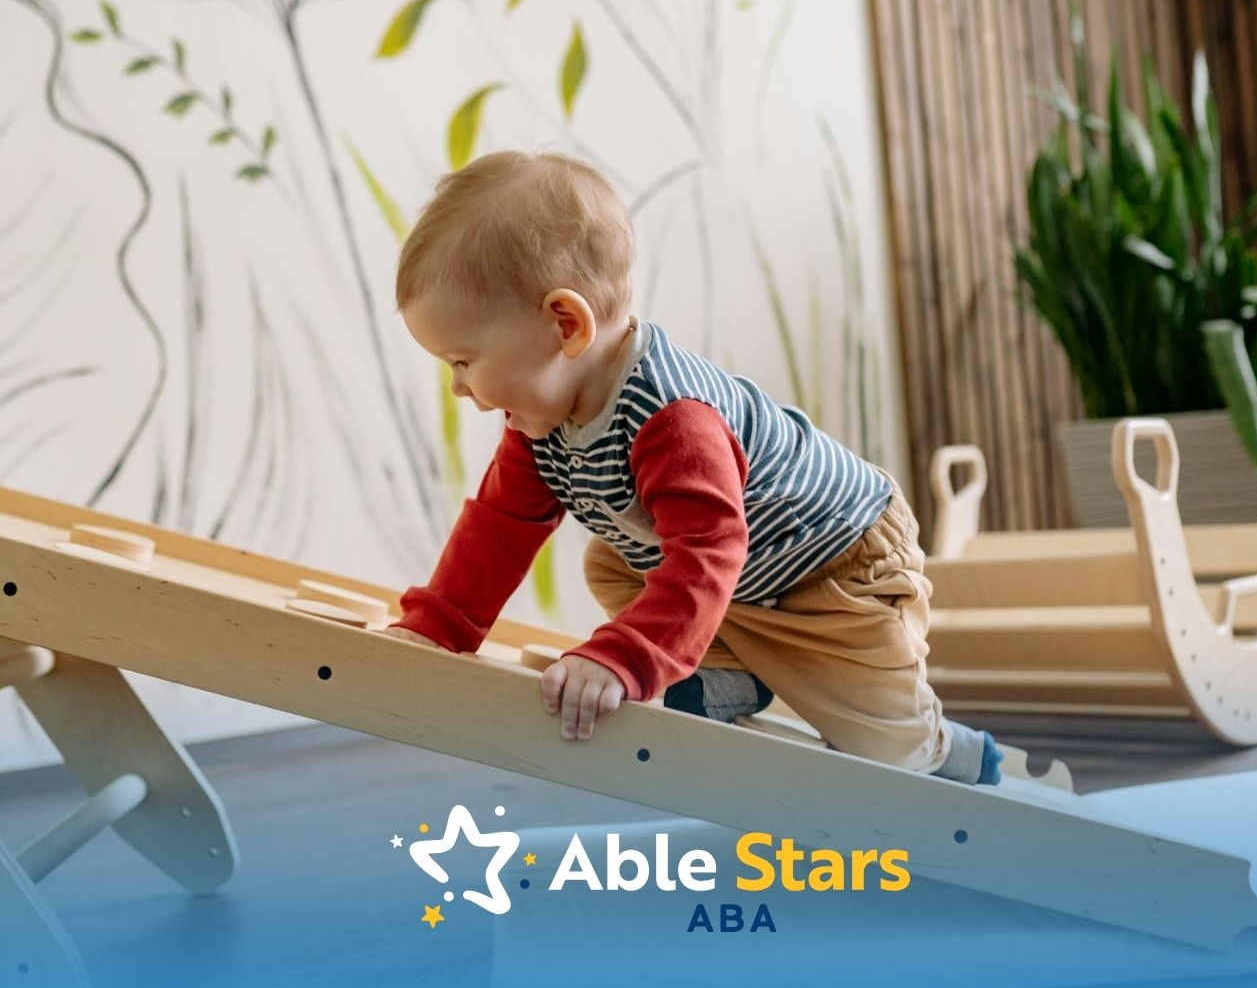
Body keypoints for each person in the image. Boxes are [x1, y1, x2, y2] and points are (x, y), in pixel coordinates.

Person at [386, 149, 1002, 786]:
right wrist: (438, 628)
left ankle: (953, 751)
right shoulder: (536, 421)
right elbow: (500, 524)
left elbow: (709, 554)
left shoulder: (673, 419)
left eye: (463, 361)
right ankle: (735, 669)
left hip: (838, 563)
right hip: (743, 569)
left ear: (565, 325)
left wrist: (625, 657)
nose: (459, 387)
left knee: (887, 754)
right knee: (613, 559)